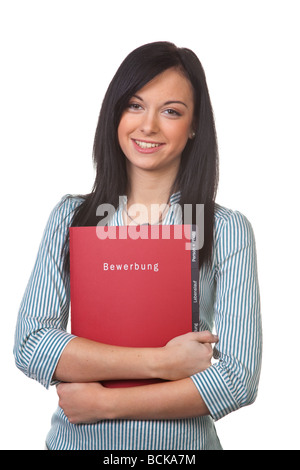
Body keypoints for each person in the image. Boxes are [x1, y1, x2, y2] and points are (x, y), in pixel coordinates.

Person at [14, 41, 262, 450]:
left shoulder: (226, 229)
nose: (148, 126)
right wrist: (163, 363)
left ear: (194, 124)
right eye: (134, 105)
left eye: (171, 111)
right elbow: (33, 344)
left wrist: (106, 404)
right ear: (116, 113)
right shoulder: (71, 217)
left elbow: (236, 379)